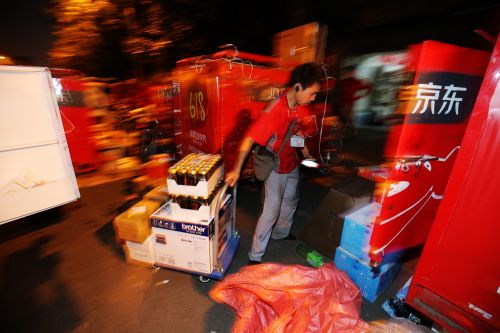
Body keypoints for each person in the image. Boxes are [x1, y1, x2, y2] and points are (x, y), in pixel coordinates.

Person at [225, 62, 323, 265]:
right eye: (312, 93)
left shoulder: (299, 107)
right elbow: (248, 139)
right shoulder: (275, 109)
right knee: (271, 211)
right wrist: (236, 170)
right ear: (298, 87)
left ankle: (281, 233)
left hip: (292, 164)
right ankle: (255, 256)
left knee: (291, 201)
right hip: (275, 166)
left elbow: (295, 133)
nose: (313, 98)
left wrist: (306, 153)